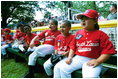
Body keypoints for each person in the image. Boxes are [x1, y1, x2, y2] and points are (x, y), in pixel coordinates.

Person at [53, 9, 116, 78]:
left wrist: (98, 61)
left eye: (86, 18)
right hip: (78, 58)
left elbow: (108, 51)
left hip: (92, 59)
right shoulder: (78, 33)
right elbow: (72, 47)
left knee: (90, 77)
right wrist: (70, 57)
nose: (83, 20)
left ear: (95, 21)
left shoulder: (101, 34)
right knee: (62, 68)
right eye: (82, 19)